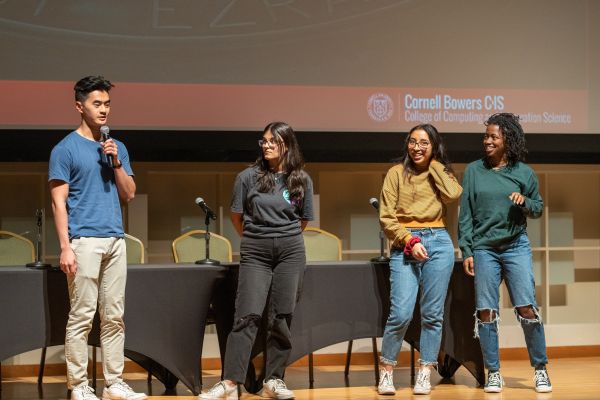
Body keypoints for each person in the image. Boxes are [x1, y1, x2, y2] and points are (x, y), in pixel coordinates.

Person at [199, 122, 314, 400]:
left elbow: (304, 220)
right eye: (263, 141)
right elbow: (236, 218)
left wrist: (282, 237)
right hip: (256, 252)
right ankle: (229, 382)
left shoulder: (301, 179)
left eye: (273, 141)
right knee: (247, 316)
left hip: (291, 252)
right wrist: (259, 238)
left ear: (287, 144)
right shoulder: (247, 177)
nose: (267, 145)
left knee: (281, 317)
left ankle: (274, 380)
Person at [49, 76, 146, 400]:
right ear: (79, 106)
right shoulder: (65, 149)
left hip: (115, 240)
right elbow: (57, 202)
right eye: (96, 103)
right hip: (84, 242)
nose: (104, 110)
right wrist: (65, 247)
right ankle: (79, 385)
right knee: (81, 316)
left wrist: (116, 160)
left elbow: (129, 193)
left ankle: (114, 383)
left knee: (114, 316)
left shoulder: (116, 148)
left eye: (107, 104)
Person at [458, 113, 552, 393]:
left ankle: (540, 369)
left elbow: (537, 208)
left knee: (526, 307)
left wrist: (525, 202)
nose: (487, 141)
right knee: (486, 311)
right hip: (484, 248)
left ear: (507, 140)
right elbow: (466, 215)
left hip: (515, 246)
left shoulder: (524, 173)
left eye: (492, 137)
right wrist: (467, 250)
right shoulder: (474, 171)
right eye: (485, 136)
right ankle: (494, 372)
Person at [377, 124, 462, 395]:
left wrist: (434, 164)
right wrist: (410, 241)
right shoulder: (395, 174)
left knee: (432, 315)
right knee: (400, 313)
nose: (417, 147)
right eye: (413, 142)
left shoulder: (439, 171)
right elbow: (387, 217)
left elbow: (453, 194)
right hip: (406, 241)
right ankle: (387, 370)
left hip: (438, 240)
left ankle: (425, 370)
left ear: (434, 147)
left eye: (424, 143)